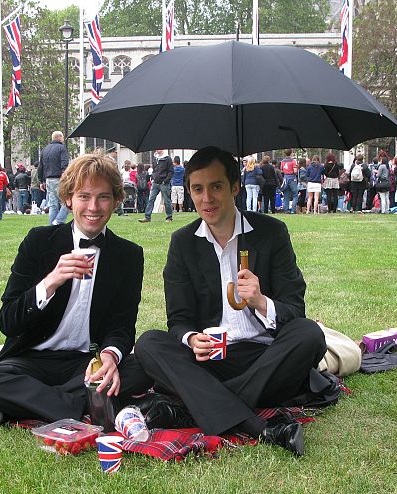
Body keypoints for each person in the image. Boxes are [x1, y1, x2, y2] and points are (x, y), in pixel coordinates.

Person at [133, 147, 327, 456]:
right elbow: (178, 320)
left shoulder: (271, 233)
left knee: (309, 335)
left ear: (235, 187)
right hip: (209, 362)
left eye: (216, 186)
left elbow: (295, 309)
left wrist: (262, 301)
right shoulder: (183, 243)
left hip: (264, 359)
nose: (206, 198)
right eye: (198, 189)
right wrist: (191, 338)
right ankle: (258, 426)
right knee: (149, 343)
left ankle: (192, 409)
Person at [0, 154, 153, 426]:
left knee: (143, 368)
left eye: (103, 197)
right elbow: (8, 321)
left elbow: (123, 325)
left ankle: (25, 406)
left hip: (83, 363)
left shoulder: (128, 255)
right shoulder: (39, 242)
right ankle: (86, 405)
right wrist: (51, 282)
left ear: (116, 201)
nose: (93, 207)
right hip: (33, 360)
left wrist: (109, 355)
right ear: (68, 199)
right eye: (84, 196)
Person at [39, 131, 70, 225]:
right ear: (60, 137)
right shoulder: (61, 148)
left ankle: (51, 225)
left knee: (53, 205)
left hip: (48, 180)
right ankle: (58, 221)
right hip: (59, 178)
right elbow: (64, 164)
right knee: (68, 202)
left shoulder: (45, 149)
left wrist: (41, 181)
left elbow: (41, 166)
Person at [139, 150, 174, 223]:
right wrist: (153, 178)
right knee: (151, 199)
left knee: (166, 200)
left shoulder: (167, 159)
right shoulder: (155, 158)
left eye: (159, 149)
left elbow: (171, 171)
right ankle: (147, 217)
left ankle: (169, 217)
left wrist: (165, 181)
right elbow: (154, 170)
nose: (157, 150)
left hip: (164, 182)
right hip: (155, 182)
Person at [279, 149, 298, 214]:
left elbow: (281, 171)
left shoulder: (282, 161)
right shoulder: (293, 161)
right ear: (291, 153)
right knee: (295, 194)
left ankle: (286, 210)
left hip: (285, 178)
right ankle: (293, 210)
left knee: (286, 195)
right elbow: (295, 171)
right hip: (292, 178)